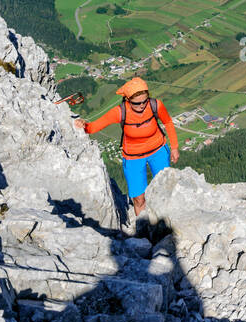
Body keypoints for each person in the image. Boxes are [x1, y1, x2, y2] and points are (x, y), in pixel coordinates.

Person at [75, 77, 179, 218]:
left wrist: (174, 148)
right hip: (133, 157)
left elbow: (168, 122)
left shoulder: (156, 105)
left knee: (164, 190)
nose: (142, 105)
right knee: (138, 198)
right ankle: (144, 231)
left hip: (158, 151)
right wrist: (84, 125)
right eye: (137, 103)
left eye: (144, 101)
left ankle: (166, 223)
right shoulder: (120, 112)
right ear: (128, 100)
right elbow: (94, 127)